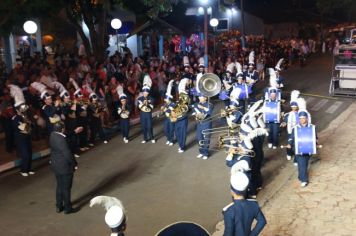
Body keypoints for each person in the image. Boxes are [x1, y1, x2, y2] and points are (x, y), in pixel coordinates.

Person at [49, 121, 80, 214]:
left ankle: (59, 206)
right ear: (62, 129)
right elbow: (67, 154)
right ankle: (68, 208)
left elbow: (65, 135)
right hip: (64, 167)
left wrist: (74, 132)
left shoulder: (52, 135)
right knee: (66, 188)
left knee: (59, 186)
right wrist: (74, 164)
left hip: (56, 165)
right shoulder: (61, 140)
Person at [223, 172, 266, 236]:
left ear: (232, 191)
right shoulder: (253, 204)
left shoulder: (229, 211)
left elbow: (228, 233)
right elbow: (262, 221)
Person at [9, 84, 34, 177]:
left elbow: (31, 125)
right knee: (25, 154)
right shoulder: (15, 118)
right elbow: (23, 127)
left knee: (30, 153)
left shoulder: (24, 116)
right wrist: (27, 123)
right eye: (21, 107)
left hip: (27, 136)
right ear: (17, 109)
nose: (23, 108)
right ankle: (23, 170)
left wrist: (29, 122)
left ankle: (28, 169)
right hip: (20, 138)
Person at [287, 109, 317, 187]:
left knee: (304, 164)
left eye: (303, 118)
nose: (302, 120)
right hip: (299, 149)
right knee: (302, 164)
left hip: (308, 149)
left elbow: (315, 137)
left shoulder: (312, 127)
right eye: (300, 118)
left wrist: (315, 143)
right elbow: (291, 138)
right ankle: (304, 180)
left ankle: (301, 176)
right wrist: (289, 144)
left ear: (306, 118)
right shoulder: (295, 128)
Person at [193, 93, 213, 160]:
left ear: (205, 98)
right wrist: (196, 115)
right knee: (199, 138)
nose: (199, 98)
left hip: (207, 124)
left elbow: (209, 112)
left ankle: (206, 153)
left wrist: (203, 107)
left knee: (206, 139)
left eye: (201, 97)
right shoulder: (196, 104)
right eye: (199, 97)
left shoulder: (209, 104)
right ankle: (201, 152)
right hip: (199, 124)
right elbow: (194, 111)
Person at [138, 75, 155, 143]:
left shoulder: (151, 99)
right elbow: (139, 107)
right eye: (144, 92)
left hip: (148, 113)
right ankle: (145, 138)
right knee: (143, 126)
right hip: (142, 114)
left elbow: (151, 107)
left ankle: (151, 137)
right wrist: (144, 104)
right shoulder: (140, 99)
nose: (145, 94)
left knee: (149, 126)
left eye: (146, 92)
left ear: (148, 92)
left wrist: (147, 104)